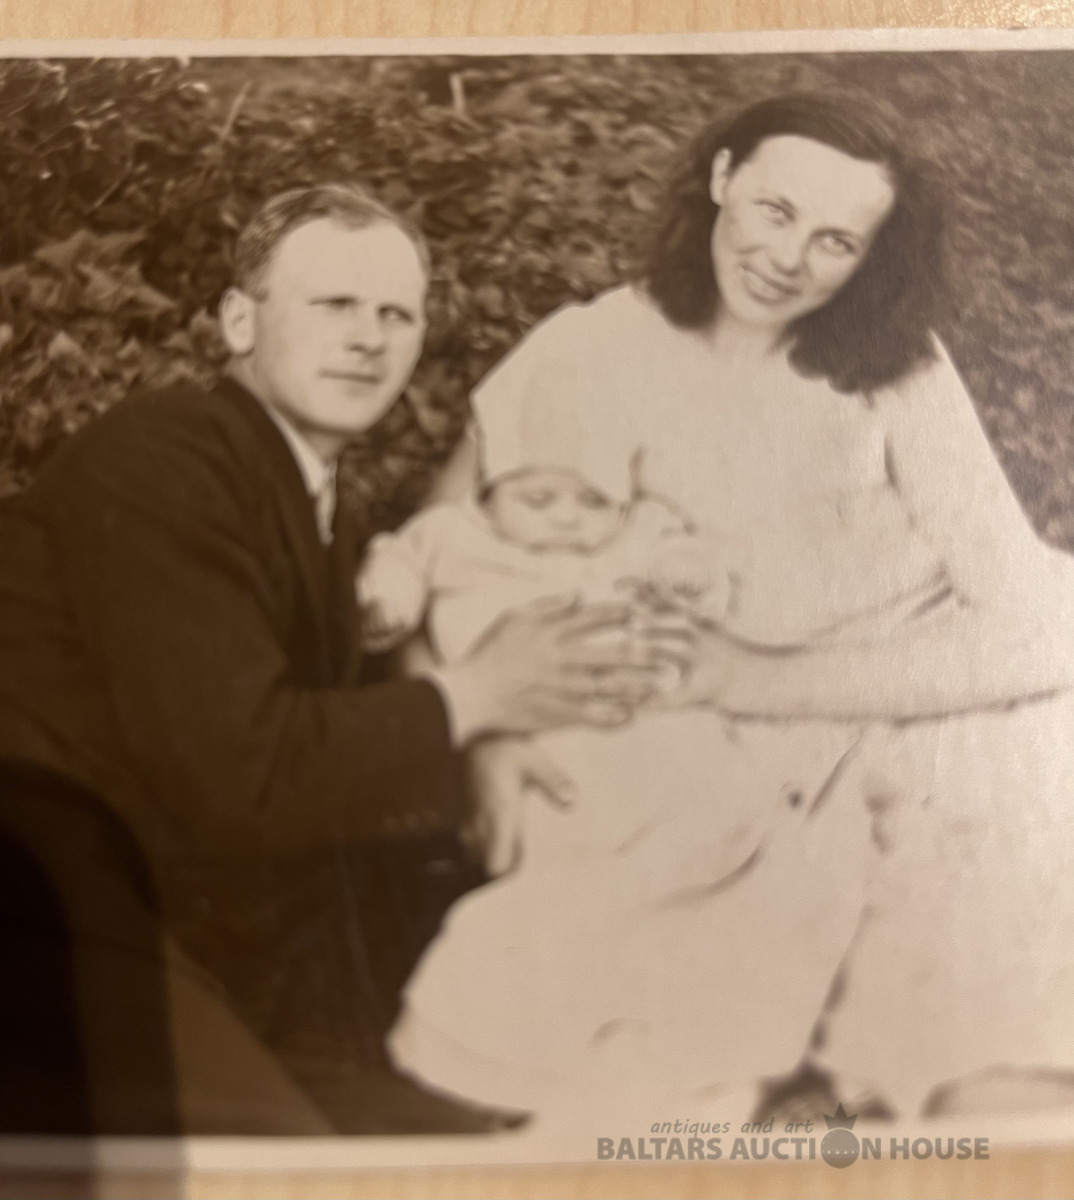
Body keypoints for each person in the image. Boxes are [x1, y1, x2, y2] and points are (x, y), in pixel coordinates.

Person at [385, 93, 1074, 1122]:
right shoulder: (587, 348)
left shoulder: (890, 363)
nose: (788, 259)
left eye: (836, 241)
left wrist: (763, 679)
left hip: (916, 681)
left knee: (1004, 986)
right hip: (693, 726)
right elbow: (441, 552)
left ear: (871, 258)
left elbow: (1030, 617)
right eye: (774, 210)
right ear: (721, 179)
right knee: (638, 978)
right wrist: (481, 737)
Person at [0, 183, 687, 1133]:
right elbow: (238, 773)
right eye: (334, 305)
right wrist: (473, 696)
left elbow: (339, 743)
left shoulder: (326, 508)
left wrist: (483, 743)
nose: (369, 338)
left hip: (205, 939)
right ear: (239, 321)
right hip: (52, 919)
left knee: (486, 1146)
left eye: (396, 315)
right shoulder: (165, 455)